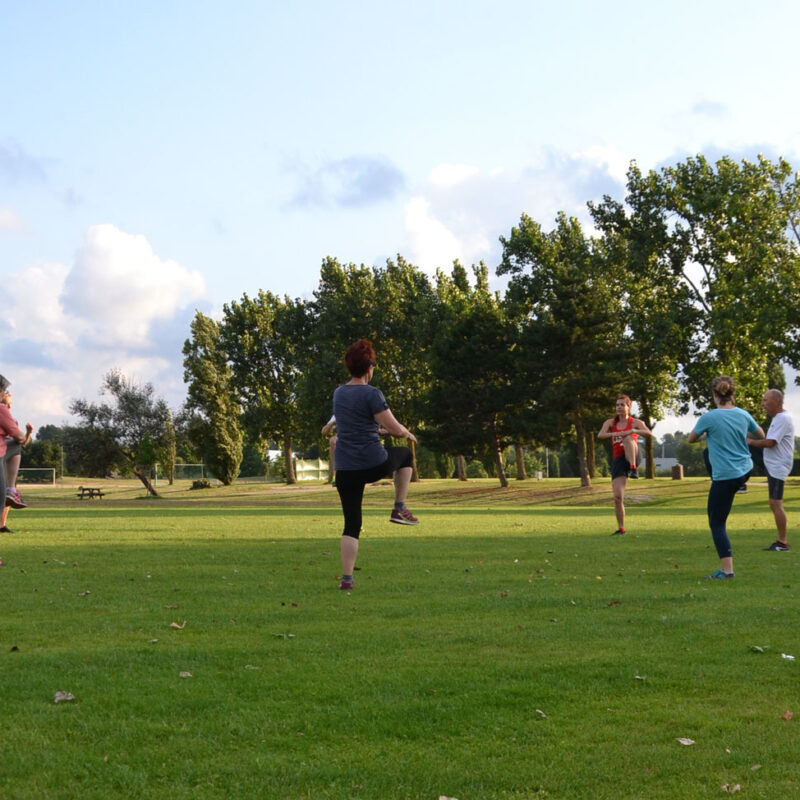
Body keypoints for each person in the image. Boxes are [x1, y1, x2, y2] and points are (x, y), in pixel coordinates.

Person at [331, 339, 418, 590]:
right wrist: (405, 432)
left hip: (346, 469)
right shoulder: (372, 393)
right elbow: (394, 427)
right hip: (372, 463)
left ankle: (347, 579)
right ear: (369, 367)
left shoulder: (339, 393)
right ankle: (399, 507)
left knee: (352, 524)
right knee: (404, 455)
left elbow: (359, 427)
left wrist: (382, 431)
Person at [687, 376, 764, 578]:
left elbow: (691, 439)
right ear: (733, 394)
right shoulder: (743, 414)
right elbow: (761, 435)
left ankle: (727, 570)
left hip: (725, 476)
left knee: (716, 522)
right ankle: (741, 485)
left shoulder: (709, 417)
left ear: (714, 394)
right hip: (744, 470)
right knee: (707, 455)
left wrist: (707, 434)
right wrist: (742, 435)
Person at [747, 388, 795, 551]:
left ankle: (782, 543)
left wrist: (750, 442)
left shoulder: (782, 418)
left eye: (765, 400)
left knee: (776, 503)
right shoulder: (779, 418)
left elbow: (770, 443)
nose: (763, 404)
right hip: (772, 463)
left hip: (778, 465)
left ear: (776, 401)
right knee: (774, 504)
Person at [598, 394, 652, 535]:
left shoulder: (635, 422)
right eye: (617, 405)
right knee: (617, 497)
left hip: (633, 454)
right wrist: (616, 434)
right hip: (619, 460)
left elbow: (648, 433)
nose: (619, 408)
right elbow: (600, 435)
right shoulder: (610, 423)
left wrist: (633, 431)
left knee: (628, 438)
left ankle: (634, 469)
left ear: (629, 407)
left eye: (622, 405)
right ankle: (621, 528)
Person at [0, 376, 34, 536]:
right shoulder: (1, 410)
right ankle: (11, 489)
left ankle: (10, 490)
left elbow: (21, 440)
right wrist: (25, 434)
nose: (10, 395)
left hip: (5, 455)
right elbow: (20, 439)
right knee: (2, 497)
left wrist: (27, 433)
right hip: (2, 455)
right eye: (7, 392)